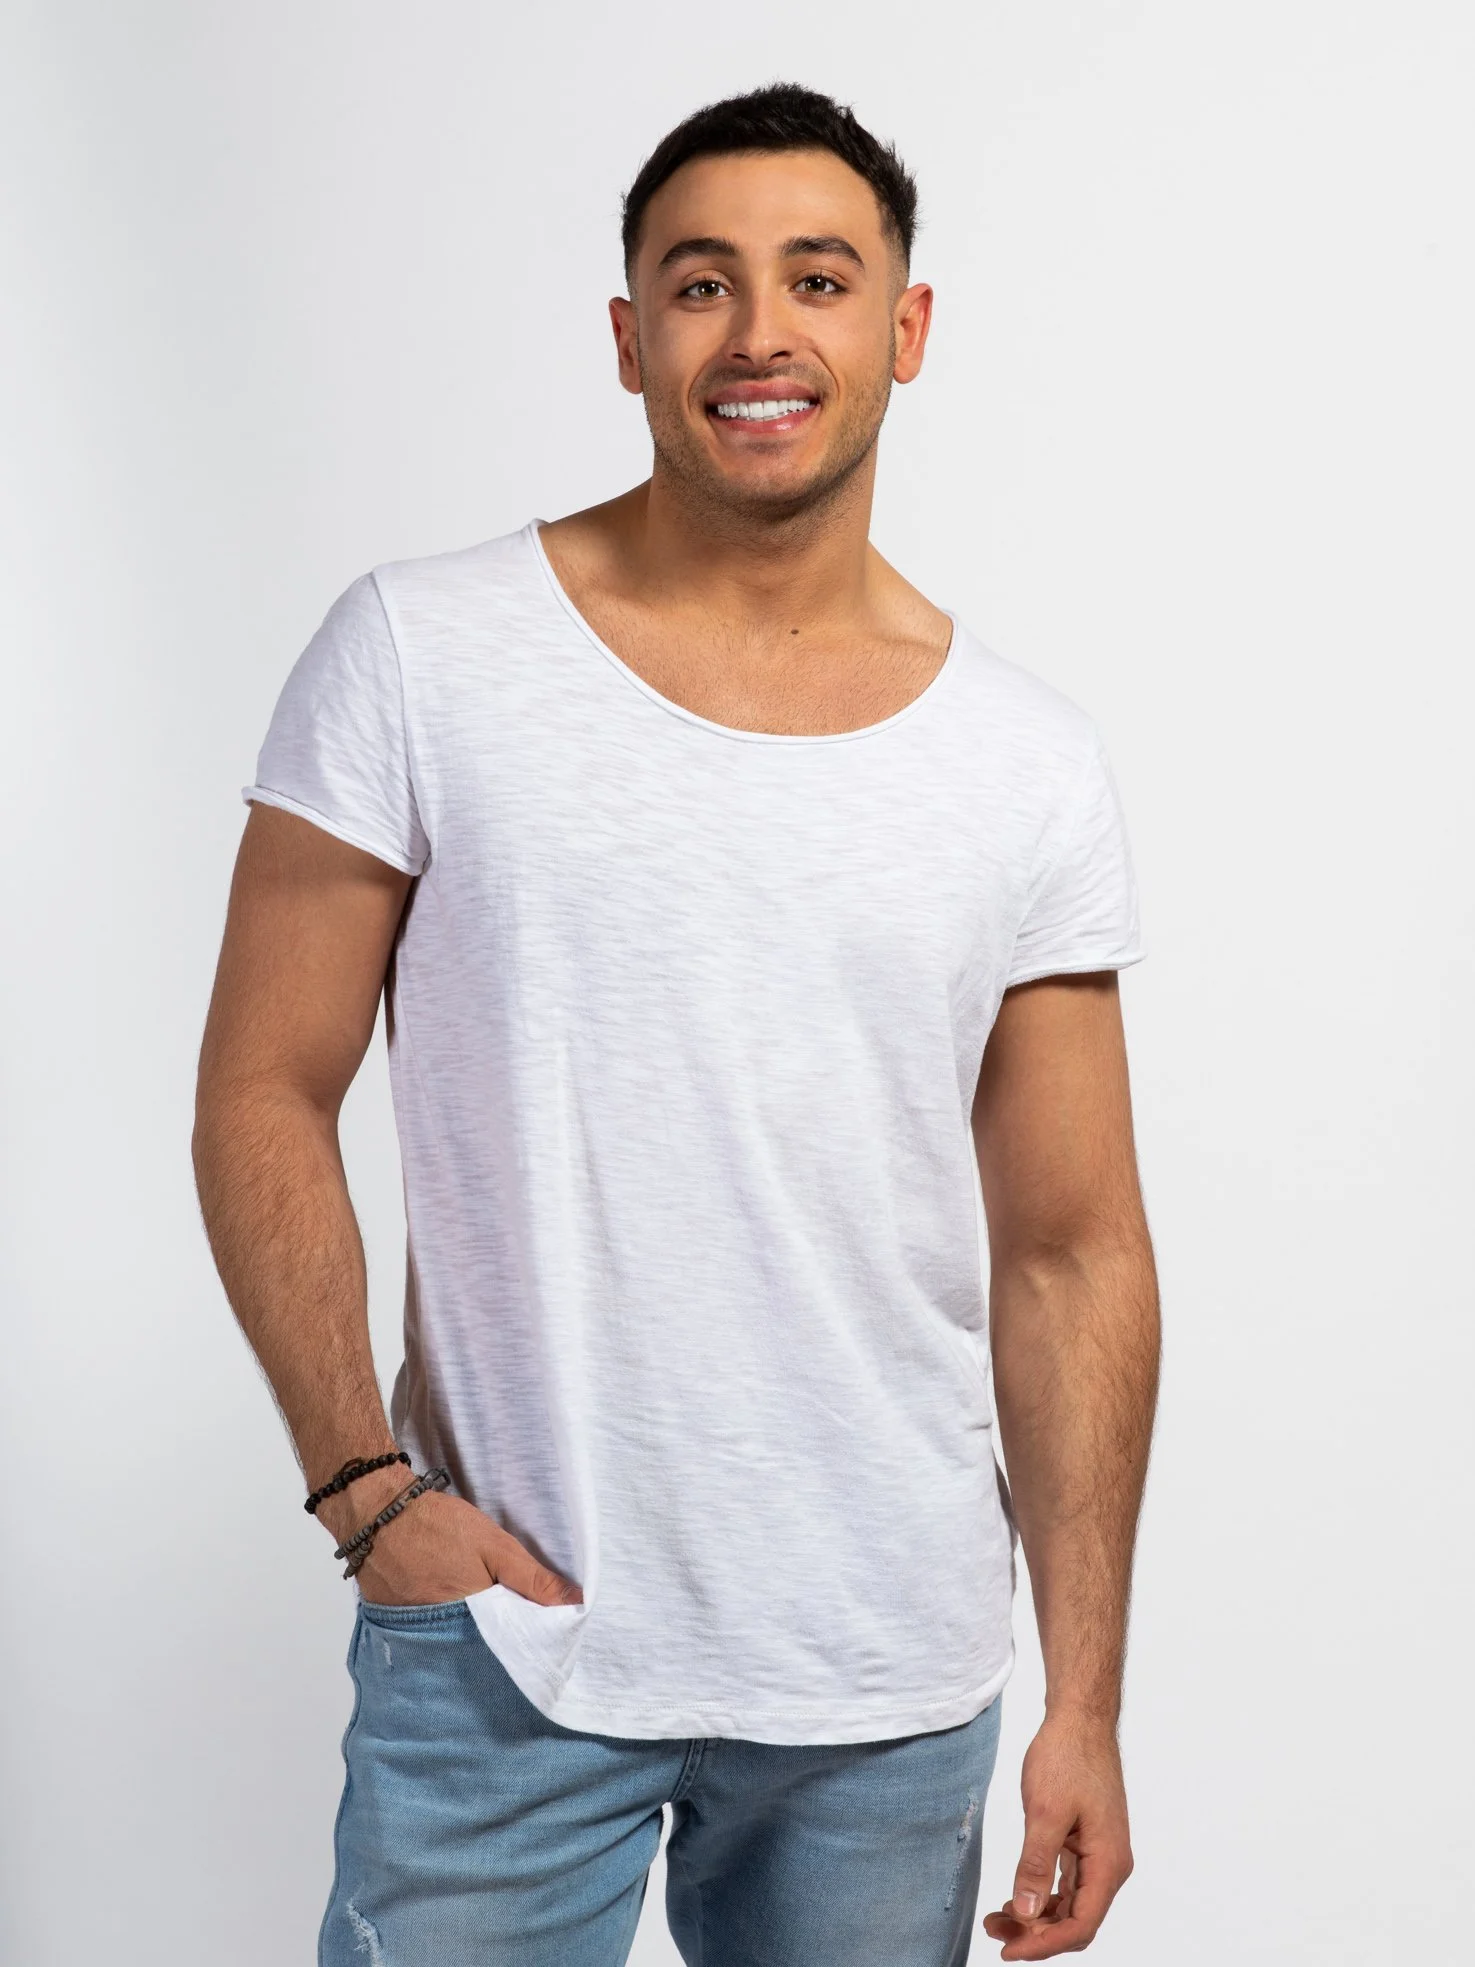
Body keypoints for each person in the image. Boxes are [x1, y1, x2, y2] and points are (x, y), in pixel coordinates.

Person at [193, 81, 1159, 1967]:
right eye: (700, 284)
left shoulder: (1026, 766)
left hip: (885, 1685)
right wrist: (362, 1492)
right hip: (502, 1650)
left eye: (818, 275)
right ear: (632, 339)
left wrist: (1086, 1697)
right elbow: (260, 1090)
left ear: (907, 327)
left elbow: (1071, 1251)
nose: (761, 332)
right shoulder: (420, 650)